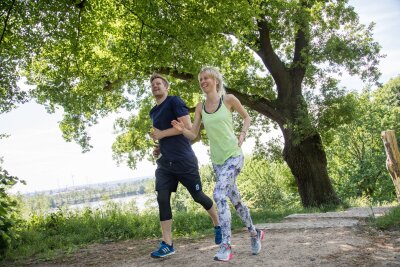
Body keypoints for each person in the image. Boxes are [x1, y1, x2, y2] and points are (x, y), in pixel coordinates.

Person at [171, 66, 265, 261]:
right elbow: (193, 134)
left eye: (206, 78)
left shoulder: (228, 100)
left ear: (215, 80)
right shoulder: (200, 106)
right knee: (236, 201)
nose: (203, 81)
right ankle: (255, 233)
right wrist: (182, 129)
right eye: (200, 79)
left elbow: (246, 117)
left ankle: (226, 246)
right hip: (218, 162)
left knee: (218, 194)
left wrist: (243, 134)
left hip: (234, 155)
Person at [148, 73, 221, 259]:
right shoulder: (153, 112)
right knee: (162, 198)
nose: (156, 86)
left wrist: (162, 134)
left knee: (198, 196)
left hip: (184, 160)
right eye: (153, 84)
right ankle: (168, 243)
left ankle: (218, 224)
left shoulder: (174, 102)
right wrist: (159, 147)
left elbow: (188, 128)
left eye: (159, 83)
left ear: (166, 87)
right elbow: (164, 136)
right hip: (165, 163)